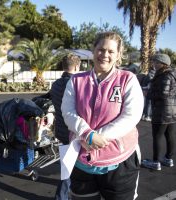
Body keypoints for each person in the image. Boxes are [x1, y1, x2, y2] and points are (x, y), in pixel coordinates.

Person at [61, 31, 144, 200]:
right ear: (94, 50)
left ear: (118, 55)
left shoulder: (128, 79)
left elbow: (131, 116)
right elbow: (68, 112)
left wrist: (98, 137)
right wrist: (87, 134)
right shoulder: (76, 80)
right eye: (101, 49)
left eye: (111, 51)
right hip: (81, 161)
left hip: (119, 163)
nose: (105, 55)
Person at [51, 53, 81, 200]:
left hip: (61, 130)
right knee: (69, 168)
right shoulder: (77, 84)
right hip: (73, 131)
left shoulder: (55, 84)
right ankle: (61, 197)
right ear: (77, 66)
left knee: (68, 164)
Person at [141, 53, 176, 171]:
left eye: (156, 62)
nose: (154, 64)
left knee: (157, 136)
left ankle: (155, 162)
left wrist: (148, 94)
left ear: (163, 64)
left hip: (162, 112)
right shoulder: (171, 74)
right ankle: (168, 159)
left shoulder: (165, 76)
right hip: (171, 111)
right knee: (169, 135)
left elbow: (163, 94)